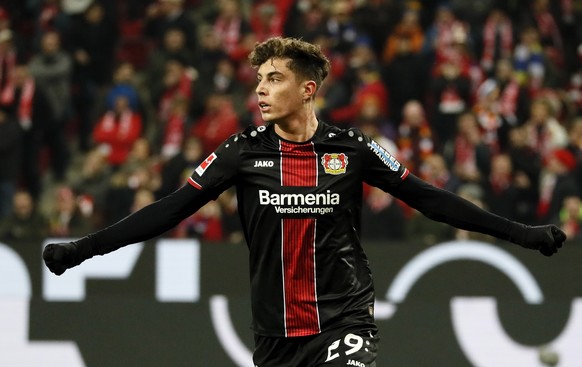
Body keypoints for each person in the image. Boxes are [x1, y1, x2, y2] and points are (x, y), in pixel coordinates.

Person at [43, 37, 566, 367]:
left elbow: (431, 200)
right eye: (259, 80)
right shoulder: (240, 152)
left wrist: (524, 234)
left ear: (308, 88)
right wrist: (82, 249)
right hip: (276, 335)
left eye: (275, 79)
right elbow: (168, 209)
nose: (261, 91)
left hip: (345, 320)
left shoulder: (353, 149)